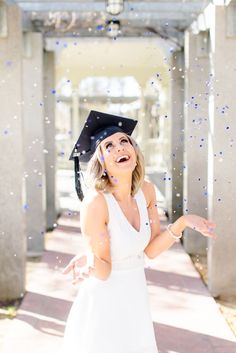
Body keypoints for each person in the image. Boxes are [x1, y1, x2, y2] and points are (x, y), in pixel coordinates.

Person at [62, 110, 217, 353]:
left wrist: (183, 222)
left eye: (124, 141)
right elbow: (104, 271)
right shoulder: (96, 203)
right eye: (109, 146)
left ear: (134, 150)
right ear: (100, 162)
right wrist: (92, 260)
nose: (120, 148)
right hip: (104, 305)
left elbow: (151, 250)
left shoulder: (146, 191)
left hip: (135, 299)